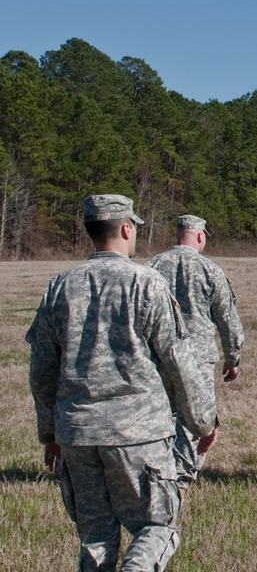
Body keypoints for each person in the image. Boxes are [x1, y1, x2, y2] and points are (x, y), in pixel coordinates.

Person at [27, 194, 217, 571]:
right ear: (126, 228)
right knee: (156, 527)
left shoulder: (59, 286)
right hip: (138, 433)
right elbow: (178, 360)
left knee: (96, 536)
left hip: (77, 433)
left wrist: (50, 433)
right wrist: (203, 422)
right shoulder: (147, 282)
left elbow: (42, 369)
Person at [146, 214, 245, 491]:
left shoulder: (151, 266)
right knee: (195, 417)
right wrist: (232, 357)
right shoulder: (210, 270)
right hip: (197, 356)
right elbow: (227, 320)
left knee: (162, 413)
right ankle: (183, 476)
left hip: (158, 354)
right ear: (200, 236)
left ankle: (159, 470)